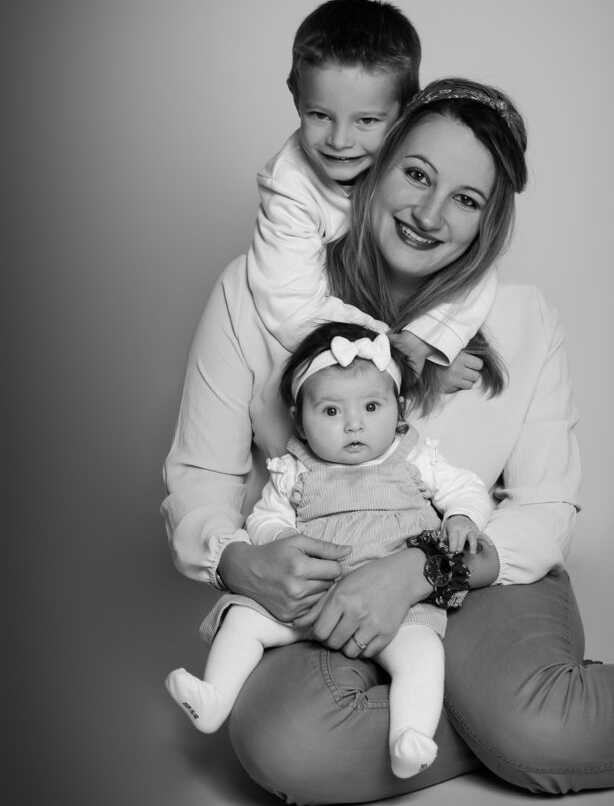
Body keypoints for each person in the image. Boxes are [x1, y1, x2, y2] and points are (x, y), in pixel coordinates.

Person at [162, 77, 614, 806]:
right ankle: (536, 708)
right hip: (328, 584)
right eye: (416, 175)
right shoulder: (255, 293)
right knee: (284, 743)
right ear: (376, 166)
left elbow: (543, 508)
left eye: (465, 199)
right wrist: (241, 561)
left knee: (537, 735)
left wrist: (422, 573)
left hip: (480, 575)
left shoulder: (525, 320)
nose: (427, 214)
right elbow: (201, 473)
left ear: (488, 222)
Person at [166, 323, 493, 778]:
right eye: (332, 411)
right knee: (243, 619)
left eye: (372, 407)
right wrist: (279, 540)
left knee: (421, 653)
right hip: (312, 593)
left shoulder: (414, 456)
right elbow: (265, 517)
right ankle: (214, 697)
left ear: (399, 411)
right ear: (300, 420)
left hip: (396, 602)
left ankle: (411, 736)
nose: (354, 424)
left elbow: (466, 488)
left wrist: (461, 517)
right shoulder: (294, 468)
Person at [247, 0, 499, 380]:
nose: (340, 141)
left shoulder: (402, 162)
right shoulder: (290, 187)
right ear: (295, 93)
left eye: (366, 120)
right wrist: (397, 350)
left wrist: (429, 342)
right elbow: (292, 310)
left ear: (405, 114)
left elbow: (474, 271)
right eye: (319, 115)